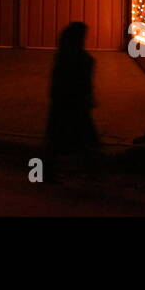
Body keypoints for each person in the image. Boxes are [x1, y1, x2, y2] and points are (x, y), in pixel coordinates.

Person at [45, 21, 99, 175]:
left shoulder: (64, 55)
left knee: (59, 135)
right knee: (83, 134)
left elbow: (57, 80)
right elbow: (81, 80)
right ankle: (88, 168)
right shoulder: (80, 58)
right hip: (73, 101)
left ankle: (51, 168)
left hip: (64, 101)